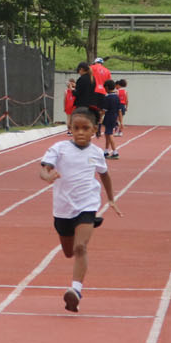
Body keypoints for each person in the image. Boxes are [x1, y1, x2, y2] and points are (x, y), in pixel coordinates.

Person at [40, 111, 122, 312]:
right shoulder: (59, 149)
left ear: (94, 130)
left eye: (85, 128)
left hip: (87, 205)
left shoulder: (96, 152)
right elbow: (44, 168)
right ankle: (88, 224)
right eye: (76, 128)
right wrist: (47, 176)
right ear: (70, 127)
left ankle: (75, 291)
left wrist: (111, 198)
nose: (80, 132)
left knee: (80, 248)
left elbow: (104, 175)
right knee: (69, 252)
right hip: (62, 209)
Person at [72, 61, 100, 125]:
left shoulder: (81, 79)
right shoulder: (93, 79)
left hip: (81, 104)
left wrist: (72, 90)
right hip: (90, 104)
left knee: (80, 121)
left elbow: (77, 93)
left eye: (79, 71)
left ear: (81, 69)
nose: (79, 72)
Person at [100, 80, 122, 159]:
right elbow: (119, 110)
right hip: (114, 116)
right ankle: (106, 151)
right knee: (107, 133)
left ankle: (115, 152)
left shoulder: (108, 97)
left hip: (109, 116)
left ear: (107, 87)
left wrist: (99, 117)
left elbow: (104, 110)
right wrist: (121, 122)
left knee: (109, 134)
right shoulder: (116, 97)